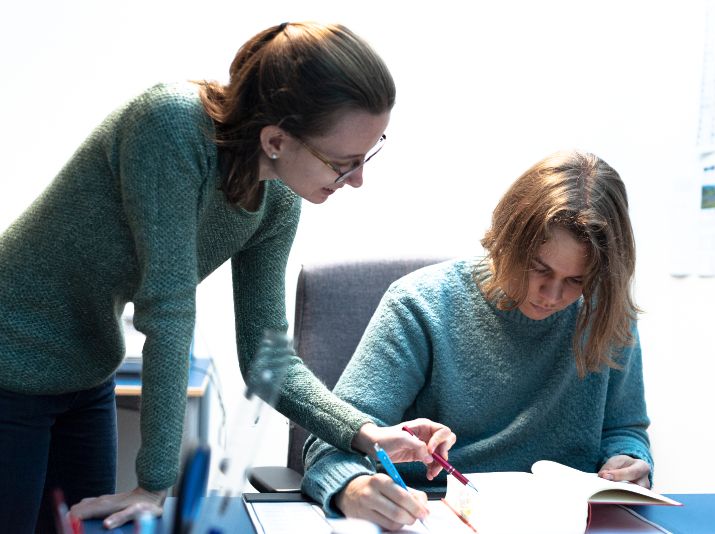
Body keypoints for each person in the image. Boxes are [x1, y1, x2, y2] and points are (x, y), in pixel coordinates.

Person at [0, 22, 454, 532]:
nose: (358, 179)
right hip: (9, 352)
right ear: (276, 138)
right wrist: (155, 483)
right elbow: (168, 312)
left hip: (86, 366)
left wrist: (365, 432)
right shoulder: (170, 125)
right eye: (344, 162)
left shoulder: (277, 198)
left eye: (368, 155)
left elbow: (267, 359)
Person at [302, 150, 653, 531]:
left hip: (565, 521)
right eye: (539, 269)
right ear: (507, 238)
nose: (551, 295)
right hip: (433, 516)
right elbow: (332, 439)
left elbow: (624, 430)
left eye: (576, 281)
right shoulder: (421, 305)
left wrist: (629, 460)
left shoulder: (604, 314)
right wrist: (353, 487)